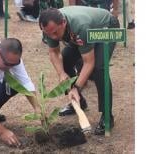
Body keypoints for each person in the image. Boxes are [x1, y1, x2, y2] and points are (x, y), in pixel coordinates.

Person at [39, 6, 120, 135]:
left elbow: (89, 62)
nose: (53, 37)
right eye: (49, 34)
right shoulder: (49, 28)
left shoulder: (80, 26)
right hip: (83, 32)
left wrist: (76, 87)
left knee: (99, 69)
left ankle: (107, 116)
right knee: (65, 60)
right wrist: (61, 73)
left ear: (64, 23)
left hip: (105, 27)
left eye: (55, 33)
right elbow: (54, 52)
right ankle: (79, 102)